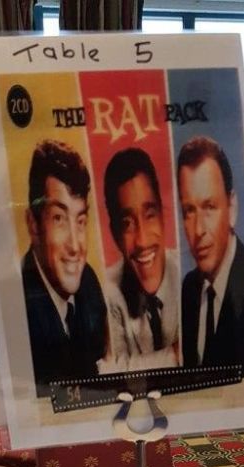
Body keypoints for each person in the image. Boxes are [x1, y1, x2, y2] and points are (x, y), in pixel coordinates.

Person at [21, 140, 107, 396]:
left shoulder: (88, 282)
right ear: (34, 225)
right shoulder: (20, 301)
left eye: (80, 221)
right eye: (59, 218)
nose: (75, 246)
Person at [176, 136, 244, 378]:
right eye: (189, 211)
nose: (198, 229)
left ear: (231, 209)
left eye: (209, 207)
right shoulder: (189, 287)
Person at [100, 148, 180, 372]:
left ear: (163, 216)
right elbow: (112, 371)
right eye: (127, 223)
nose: (142, 240)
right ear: (115, 234)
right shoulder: (108, 292)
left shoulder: (187, 275)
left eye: (150, 214)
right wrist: (174, 355)